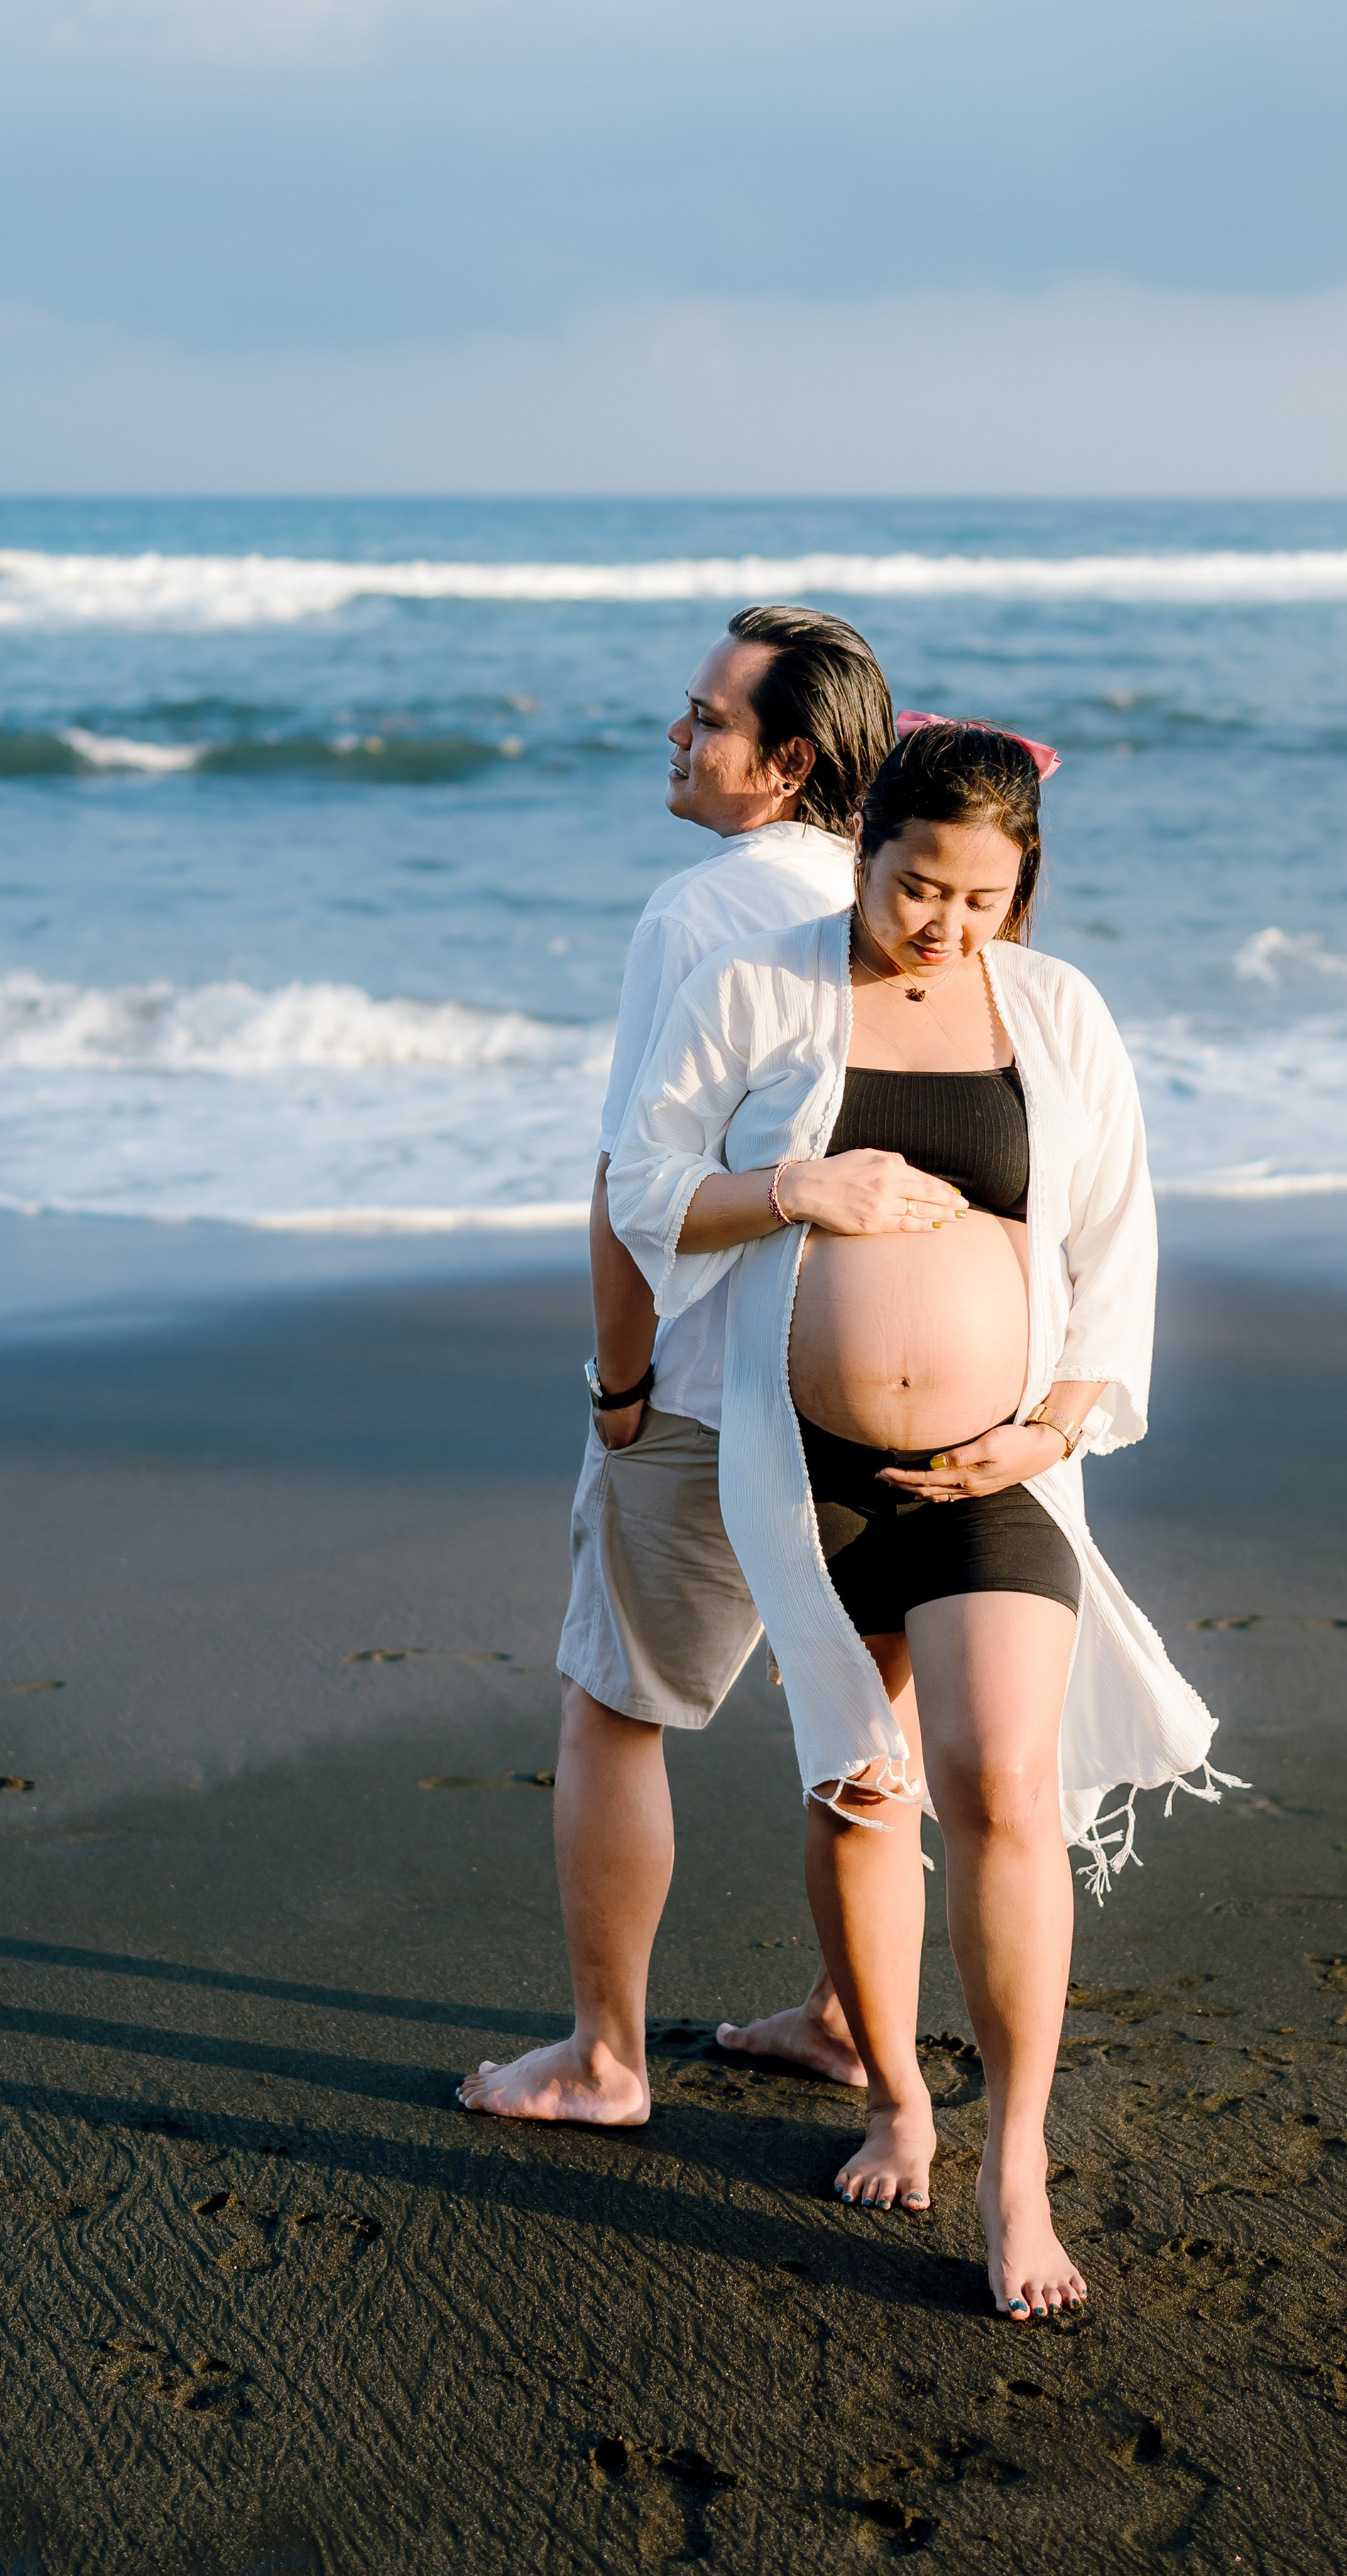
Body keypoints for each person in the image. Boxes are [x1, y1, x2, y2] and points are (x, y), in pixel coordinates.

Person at [607, 720, 1241, 2318]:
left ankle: (1014, 2160)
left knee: (1002, 1784)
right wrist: (793, 1194)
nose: (947, 923)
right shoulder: (755, 987)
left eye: (984, 895)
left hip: (997, 1473)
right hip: (801, 1466)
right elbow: (637, 1183)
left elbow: (1115, 1237)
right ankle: (894, 2085)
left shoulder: (1052, 1010)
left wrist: (1057, 1415)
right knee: (861, 1788)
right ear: (864, 845)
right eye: (916, 886)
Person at [457, 604, 894, 2127]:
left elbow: (624, 1183)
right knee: (859, 1716)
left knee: (613, 1709)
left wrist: (619, 1391)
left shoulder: (701, 914)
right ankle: (849, 2021)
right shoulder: (917, 904)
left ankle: (603, 2059)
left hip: (714, 1388)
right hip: (884, 1389)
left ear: (782, 765)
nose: (676, 734)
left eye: (704, 718)